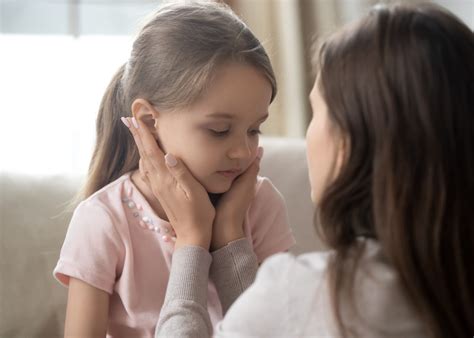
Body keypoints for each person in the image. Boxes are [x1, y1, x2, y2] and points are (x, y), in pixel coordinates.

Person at [124, 2, 474, 338]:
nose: (244, 151)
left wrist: (192, 240)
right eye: (219, 130)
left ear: (348, 142)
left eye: (316, 112)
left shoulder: (306, 296)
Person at [53, 2, 295, 336]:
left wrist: (230, 234)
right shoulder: (103, 221)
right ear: (150, 121)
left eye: (254, 129)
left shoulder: (260, 205)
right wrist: (195, 239)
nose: (243, 151)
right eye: (219, 131)